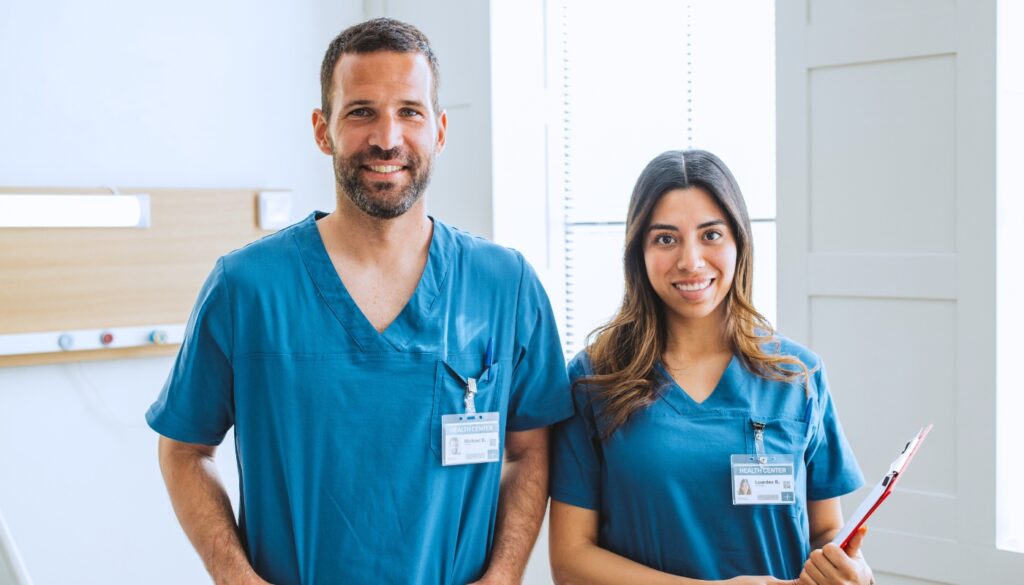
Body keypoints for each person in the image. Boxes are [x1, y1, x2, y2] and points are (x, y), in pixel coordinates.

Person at [146, 18, 571, 585]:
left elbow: (530, 449)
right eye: (361, 111)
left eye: (409, 112)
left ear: (440, 130)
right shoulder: (247, 287)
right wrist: (235, 576)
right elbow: (184, 450)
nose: (387, 138)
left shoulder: (504, 284)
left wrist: (504, 575)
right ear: (322, 131)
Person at [548, 150, 875, 585]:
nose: (691, 261)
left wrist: (851, 571)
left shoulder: (798, 377)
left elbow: (824, 531)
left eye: (711, 235)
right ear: (638, 252)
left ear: (739, 242)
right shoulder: (595, 379)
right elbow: (570, 561)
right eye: (666, 239)